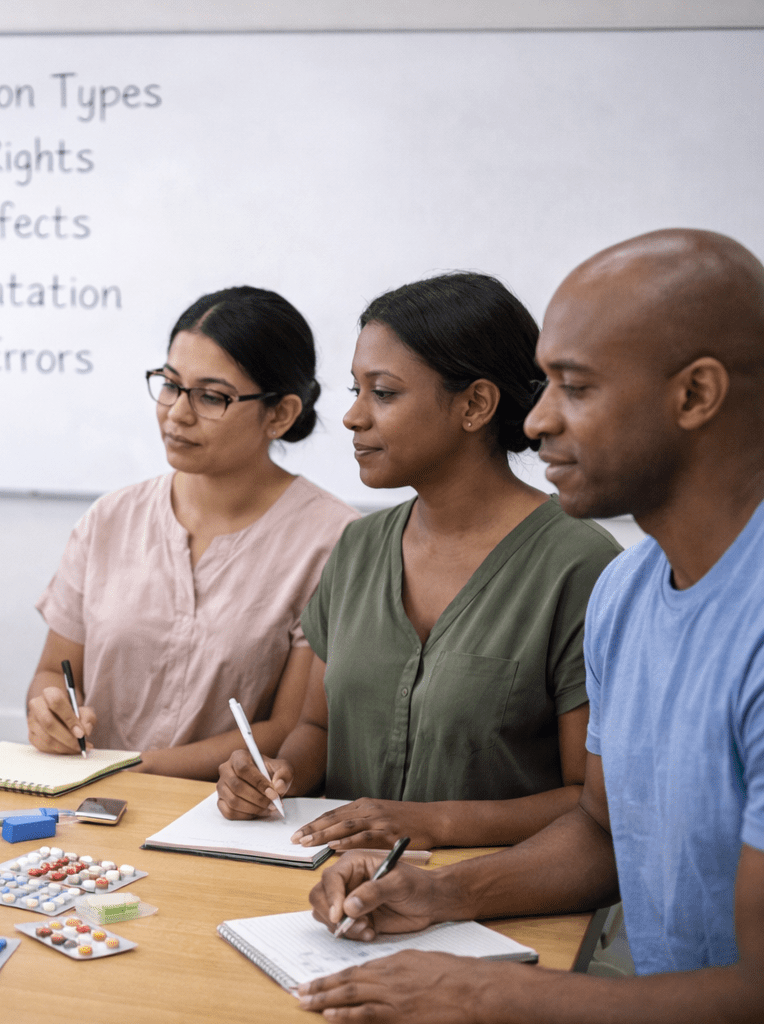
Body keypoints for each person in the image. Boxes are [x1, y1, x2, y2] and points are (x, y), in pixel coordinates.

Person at [297, 229, 764, 1021]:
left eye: (574, 387)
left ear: (695, 396)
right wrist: (439, 892)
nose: (538, 420)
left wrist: (488, 990)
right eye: (543, 385)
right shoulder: (626, 591)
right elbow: (598, 830)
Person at [217, 273, 622, 853]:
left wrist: (433, 824)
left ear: (476, 404)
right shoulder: (358, 548)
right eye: (355, 390)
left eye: (382, 393)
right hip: (338, 891)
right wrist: (274, 775)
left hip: (502, 904)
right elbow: (317, 729)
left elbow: (588, 800)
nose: (354, 417)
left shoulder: (579, 565)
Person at [27, 287, 359, 779]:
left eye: (210, 397)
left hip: (225, 820)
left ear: (280, 413)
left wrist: (134, 769)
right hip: (88, 805)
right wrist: (49, 714)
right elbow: (54, 672)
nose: (177, 413)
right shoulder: (110, 519)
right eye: (169, 384)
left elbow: (288, 729)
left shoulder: (334, 540)